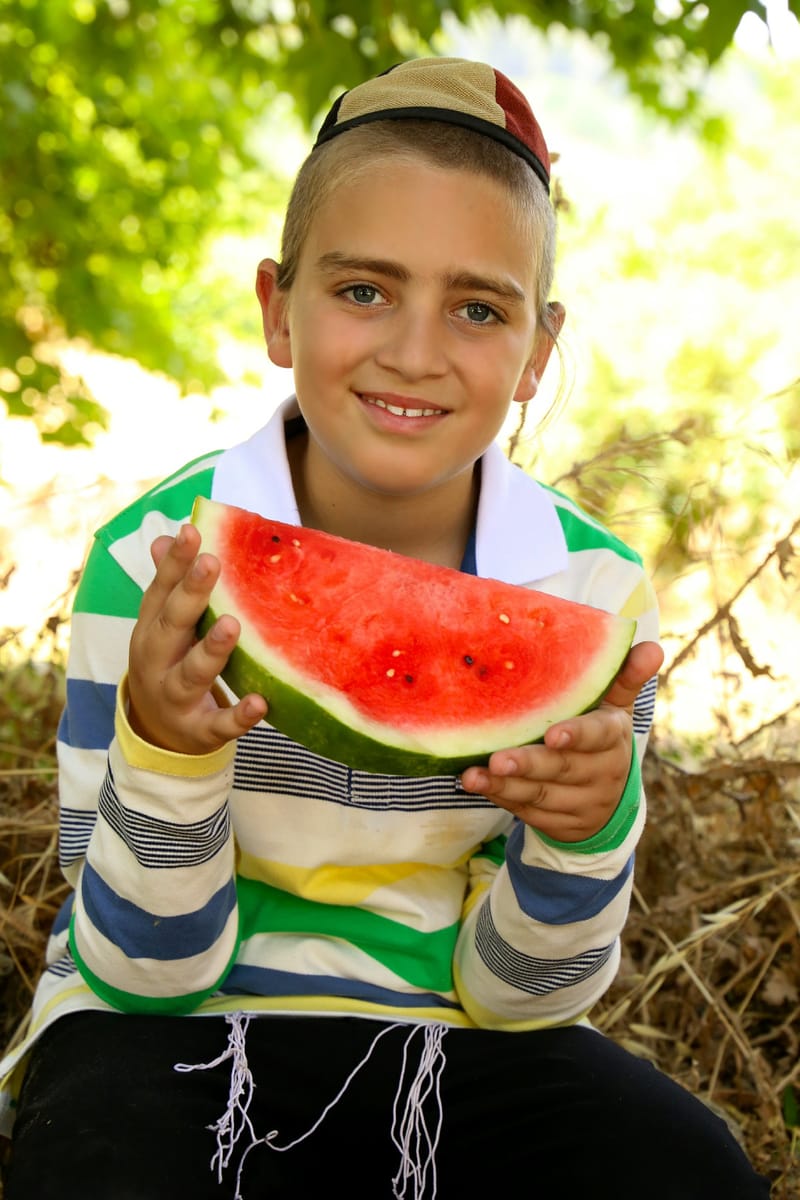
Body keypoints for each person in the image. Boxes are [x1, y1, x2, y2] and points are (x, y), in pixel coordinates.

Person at [0, 57, 771, 1200]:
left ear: (537, 353)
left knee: (686, 1169)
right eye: (363, 290)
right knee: (99, 1162)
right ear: (277, 307)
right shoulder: (151, 560)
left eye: (475, 307)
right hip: (167, 1035)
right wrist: (168, 755)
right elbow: (140, 972)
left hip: (457, 1039)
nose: (414, 351)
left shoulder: (591, 600)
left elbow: (526, 997)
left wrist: (585, 830)